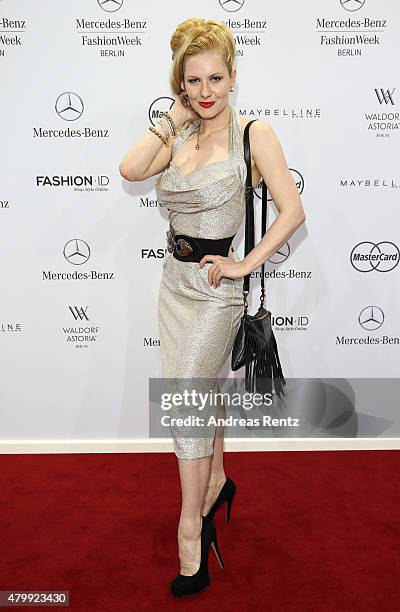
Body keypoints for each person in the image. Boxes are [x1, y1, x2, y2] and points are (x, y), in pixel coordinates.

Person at [119, 17, 305, 598]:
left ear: (233, 77)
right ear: (180, 83)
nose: (206, 92)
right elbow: (130, 170)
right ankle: (218, 480)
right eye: (193, 81)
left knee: (187, 406)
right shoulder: (176, 135)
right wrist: (170, 118)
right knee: (202, 397)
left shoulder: (256, 135)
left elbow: (292, 212)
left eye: (216, 78)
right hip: (173, 283)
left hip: (216, 290)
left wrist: (245, 265)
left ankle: (189, 534)